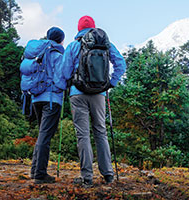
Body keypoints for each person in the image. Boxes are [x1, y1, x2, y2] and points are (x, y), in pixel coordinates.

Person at [61, 15, 126, 186]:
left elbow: (65, 72)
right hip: (99, 94)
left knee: (83, 135)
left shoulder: (74, 46)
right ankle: (108, 174)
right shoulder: (105, 45)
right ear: (94, 28)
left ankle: (87, 177)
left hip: (78, 93)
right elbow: (121, 64)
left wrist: (68, 83)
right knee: (101, 132)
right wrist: (111, 82)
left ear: (78, 28)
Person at [30, 27, 66, 184]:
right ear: (60, 40)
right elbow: (61, 77)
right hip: (51, 99)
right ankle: (40, 174)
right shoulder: (58, 56)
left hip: (36, 98)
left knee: (42, 134)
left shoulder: (38, 54)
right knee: (45, 135)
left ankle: (34, 170)